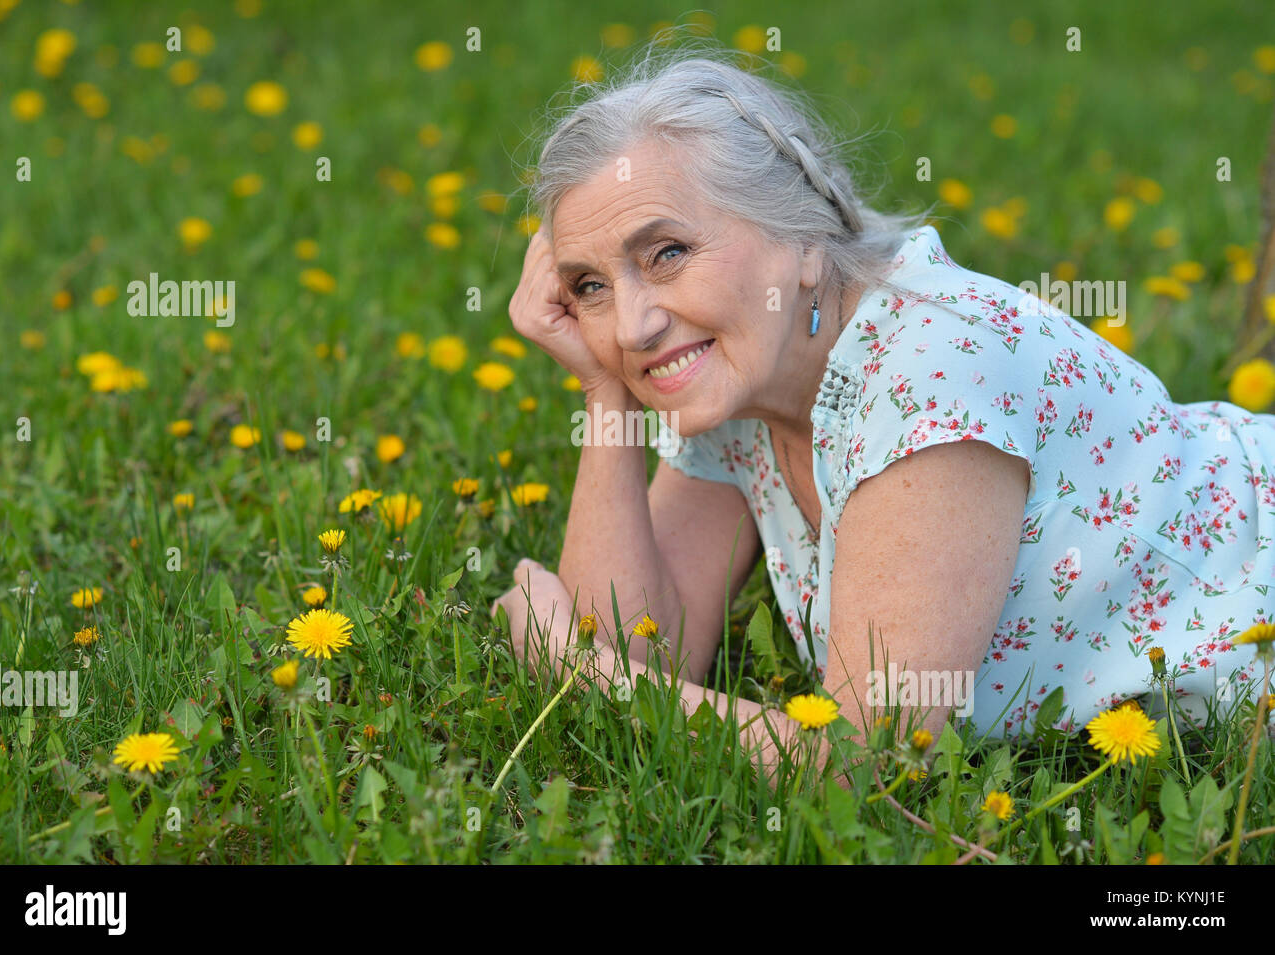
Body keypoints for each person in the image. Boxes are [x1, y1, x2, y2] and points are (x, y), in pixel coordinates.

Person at [492, 45, 1272, 783]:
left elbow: (870, 760)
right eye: (591, 285)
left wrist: (583, 674)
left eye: (666, 253)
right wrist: (604, 390)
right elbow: (645, 647)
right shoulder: (742, 377)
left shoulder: (933, 371)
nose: (632, 325)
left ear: (802, 243)